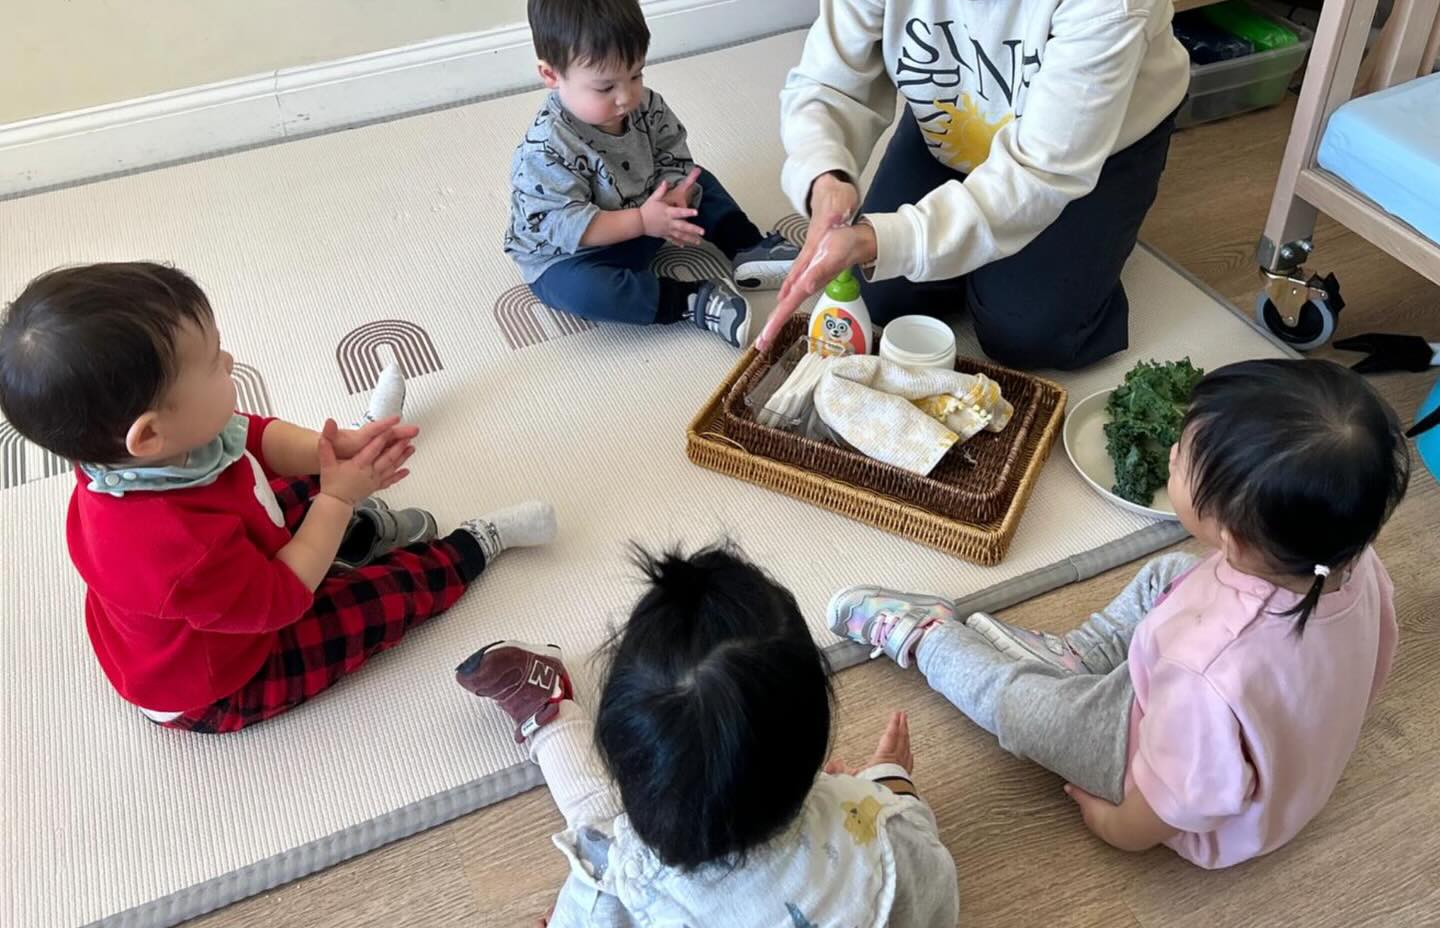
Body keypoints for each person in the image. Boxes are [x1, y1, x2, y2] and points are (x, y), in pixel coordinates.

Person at [828, 359, 1407, 868]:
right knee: (1171, 573)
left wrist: (1116, 825)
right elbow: (1374, 662)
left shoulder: (1206, 674)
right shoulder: (1348, 560)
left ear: (1230, 537)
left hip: (1161, 766)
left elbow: (1178, 799)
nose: (1174, 452)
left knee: (1020, 708)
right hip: (1228, 717)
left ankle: (923, 635)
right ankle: (1074, 658)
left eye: (1183, 460)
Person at [0, 262, 555, 733]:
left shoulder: (148, 453)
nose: (230, 361)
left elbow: (252, 435)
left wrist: (332, 449)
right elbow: (283, 597)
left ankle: (357, 522)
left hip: (228, 578)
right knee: (378, 601)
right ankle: (476, 543)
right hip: (223, 677)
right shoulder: (173, 549)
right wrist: (335, 499)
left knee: (283, 482)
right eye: (213, 360)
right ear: (148, 434)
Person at [761, 0, 1191, 370]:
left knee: (1025, 333)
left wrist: (893, 236)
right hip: (956, 118)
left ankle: (1103, 232)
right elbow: (827, 81)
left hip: (1092, 150)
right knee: (882, 289)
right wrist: (826, 178)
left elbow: (1044, 167)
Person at [458, 544, 959, 926]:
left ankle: (551, 716)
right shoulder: (883, 833)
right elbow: (935, 899)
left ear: (620, 759)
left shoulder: (616, 889)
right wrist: (890, 785)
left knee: (596, 820)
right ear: (813, 747)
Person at [505, 0, 800, 348]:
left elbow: (672, 154)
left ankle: (745, 246)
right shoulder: (545, 148)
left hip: (651, 213)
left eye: (636, 75)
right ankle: (691, 301)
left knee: (699, 179)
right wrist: (644, 220)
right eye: (605, 86)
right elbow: (569, 226)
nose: (626, 96)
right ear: (551, 74)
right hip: (575, 254)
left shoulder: (646, 107)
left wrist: (676, 191)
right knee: (579, 292)